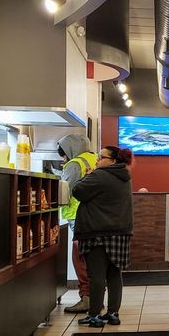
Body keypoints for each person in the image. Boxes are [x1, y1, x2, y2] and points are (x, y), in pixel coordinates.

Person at [71, 145, 133, 327]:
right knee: (114, 273)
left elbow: (77, 191)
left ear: (112, 161)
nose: (97, 160)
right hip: (120, 232)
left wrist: (88, 174)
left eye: (101, 157)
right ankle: (113, 313)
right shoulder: (124, 177)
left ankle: (95, 316)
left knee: (96, 275)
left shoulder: (99, 175)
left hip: (97, 232)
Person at [57, 134, 98, 313]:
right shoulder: (95, 158)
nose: (63, 159)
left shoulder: (75, 164)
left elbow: (66, 191)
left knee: (80, 257)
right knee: (93, 259)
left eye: (64, 155)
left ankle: (86, 298)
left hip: (78, 216)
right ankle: (96, 298)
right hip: (95, 215)